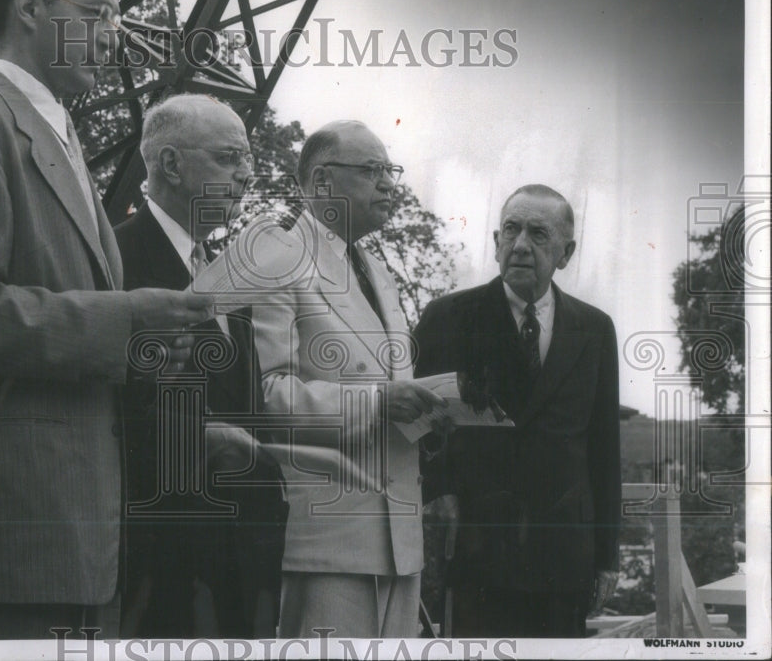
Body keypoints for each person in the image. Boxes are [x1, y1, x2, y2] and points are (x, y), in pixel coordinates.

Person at [0, 0, 213, 640]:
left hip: (69, 539)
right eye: (97, 13)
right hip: (5, 541)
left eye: (118, 17)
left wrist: (147, 343)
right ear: (30, 9)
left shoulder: (58, 137)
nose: (115, 35)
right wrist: (127, 322)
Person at [250, 121, 446, 638]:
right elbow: (267, 396)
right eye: (371, 170)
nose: (388, 184)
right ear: (321, 181)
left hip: (399, 542)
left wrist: (432, 415)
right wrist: (378, 403)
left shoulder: (378, 270)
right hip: (330, 543)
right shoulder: (276, 263)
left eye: (390, 170)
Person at [113, 93, 287, 638]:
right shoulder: (112, 261)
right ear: (171, 164)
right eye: (229, 158)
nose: (245, 175)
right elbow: (103, 401)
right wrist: (196, 438)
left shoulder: (227, 273)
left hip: (236, 563)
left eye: (248, 160)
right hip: (152, 561)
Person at [414, 184, 620, 638]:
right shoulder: (449, 317)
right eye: (511, 230)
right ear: (496, 243)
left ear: (566, 253)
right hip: (475, 550)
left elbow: (605, 449)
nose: (521, 245)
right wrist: (440, 490)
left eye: (538, 233)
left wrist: (607, 556)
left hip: (563, 558)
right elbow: (418, 423)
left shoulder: (594, 329)